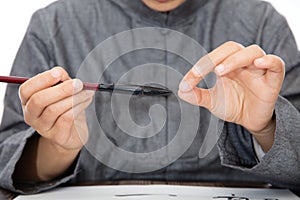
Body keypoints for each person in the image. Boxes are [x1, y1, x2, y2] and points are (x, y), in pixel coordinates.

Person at [0, 0, 299, 194]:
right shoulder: (52, 26)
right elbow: (6, 159)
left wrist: (266, 127)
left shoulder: (262, 23)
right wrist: (56, 147)